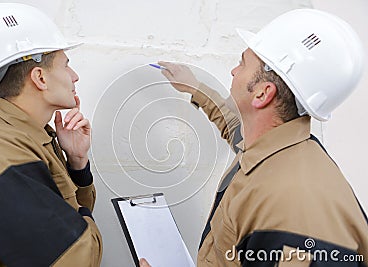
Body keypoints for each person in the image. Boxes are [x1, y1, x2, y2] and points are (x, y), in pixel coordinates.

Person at [140, 9, 368, 267]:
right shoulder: (276, 147)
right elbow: (234, 126)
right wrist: (194, 87)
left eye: (243, 63)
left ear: (262, 94)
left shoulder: (294, 212)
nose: (234, 71)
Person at [0, 3, 102, 266]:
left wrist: (77, 164)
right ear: (40, 78)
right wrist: (84, 226)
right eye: (66, 65)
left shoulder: (27, 138)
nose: (74, 76)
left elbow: (68, 219)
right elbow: (77, 255)